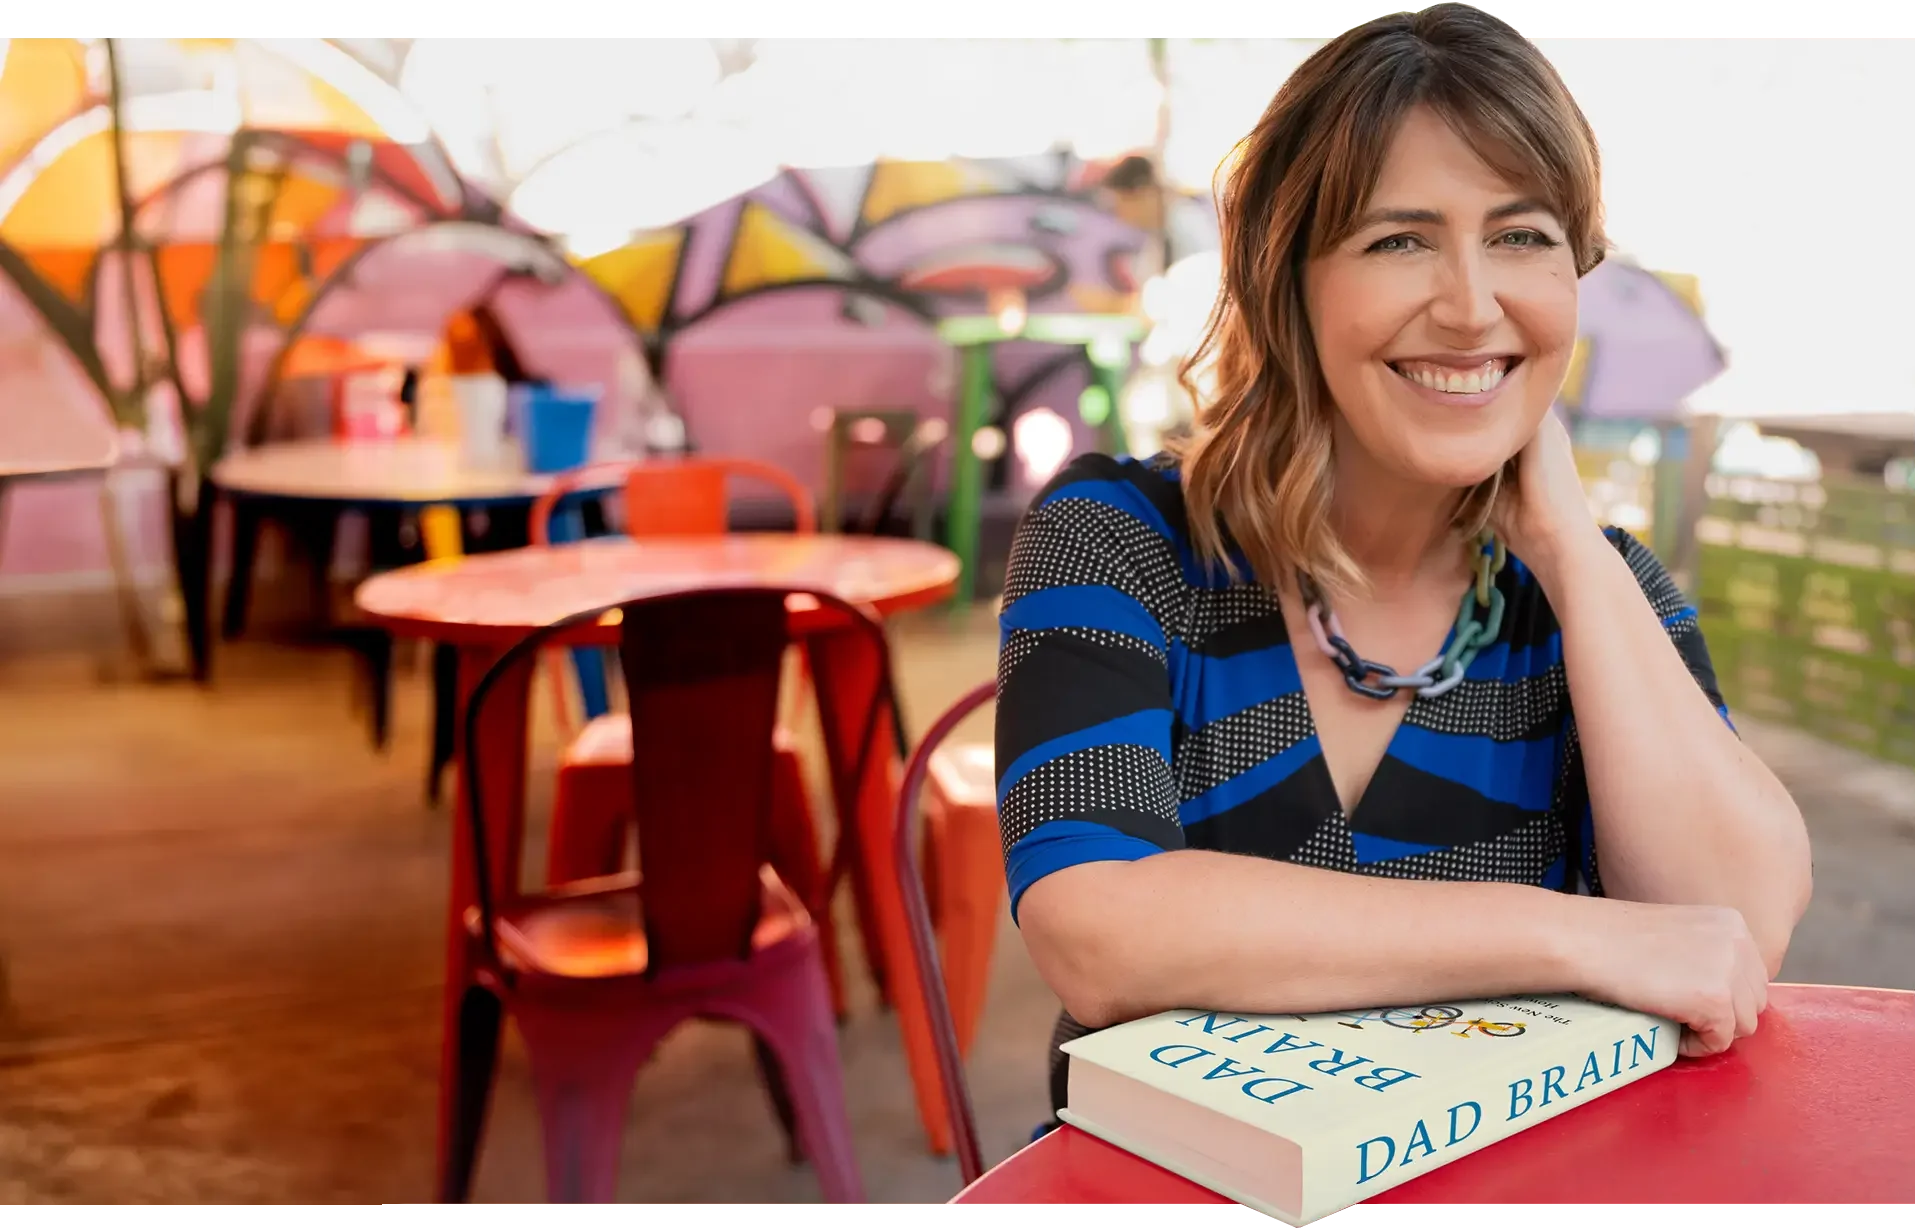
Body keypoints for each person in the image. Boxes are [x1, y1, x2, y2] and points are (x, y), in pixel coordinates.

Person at [996, 4, 1813, 1129]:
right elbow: (1097, 929)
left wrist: (1569, 547)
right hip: (1169, 1186)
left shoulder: (1592, 590)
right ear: (1289, 283)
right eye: (1400, 240)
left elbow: (1736, 928)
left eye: (1523, 237)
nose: (1473, 308)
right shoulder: (1122, 538)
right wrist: (1574, 935)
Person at [1077, 154, 1217, 317]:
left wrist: (1119, 305)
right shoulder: (1158, 234)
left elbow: (1197, 295)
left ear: (1142, 193)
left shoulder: (1188, 226)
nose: (1120, 214)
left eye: (1121, 202)